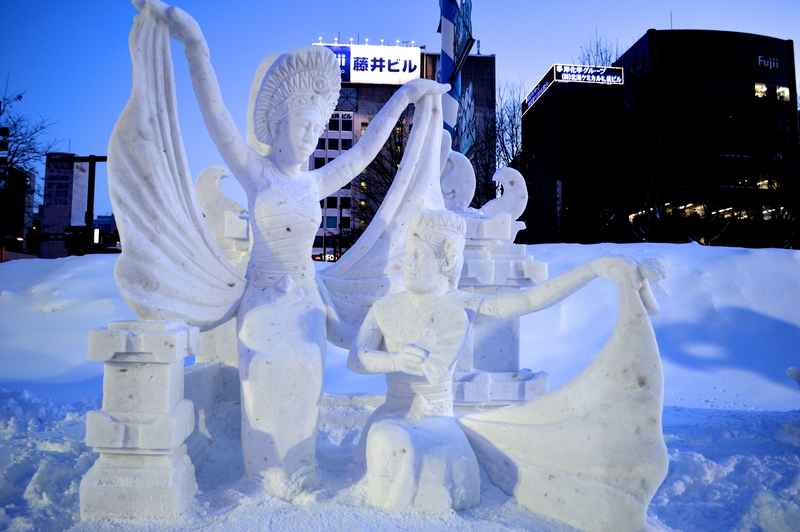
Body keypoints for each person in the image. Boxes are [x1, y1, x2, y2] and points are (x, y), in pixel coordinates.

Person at [131, 0, 449, 500]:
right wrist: (194, 43)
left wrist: (407, 95)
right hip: (260, 296)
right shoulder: (256, 172)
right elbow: (213, 112)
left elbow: (367, 150)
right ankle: (262, 471)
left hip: (305, 298)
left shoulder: (317, 181)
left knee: (307, 368)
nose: (310, 136)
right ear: (279, 122)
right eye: (303, 123)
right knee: (262, 372)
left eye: (317, 127)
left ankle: (301, 468)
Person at [349, 209, 650, 511]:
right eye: (408, 253)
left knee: (394, 443)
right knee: (386, 438)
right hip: (391, 414)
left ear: (447, 261)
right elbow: (357, 359)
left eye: (418, 256)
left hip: (435, 421)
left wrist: (593, 269)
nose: (407, 264)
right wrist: (395, 361)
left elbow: (529, 301)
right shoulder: (384, 307)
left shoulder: (457, 305)